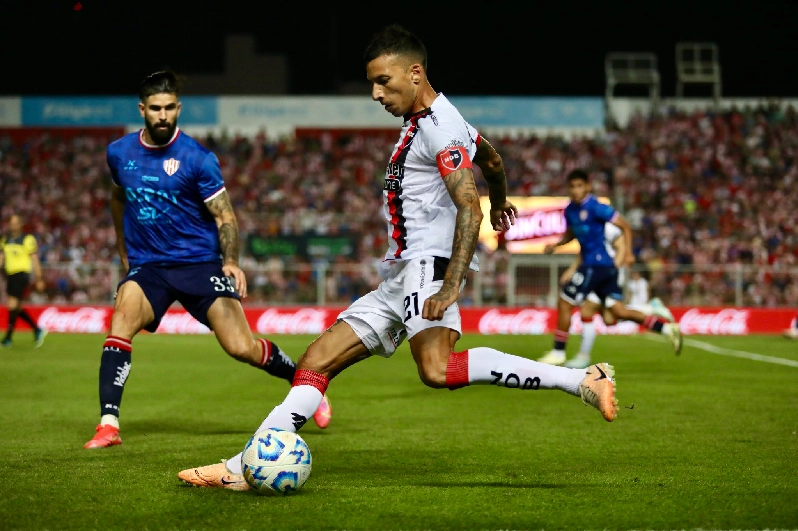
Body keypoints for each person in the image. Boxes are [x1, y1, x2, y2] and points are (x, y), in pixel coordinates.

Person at [178, 24, 619, 491]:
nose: (375, 93)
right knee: (316, 361)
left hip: (429, 267)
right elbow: (490, 160)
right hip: (404, 273)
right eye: (372, 82)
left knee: (437, 369)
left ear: (414, 72)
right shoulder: (443, 121)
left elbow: (469, 203)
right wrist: (503, 199)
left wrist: (450, 284)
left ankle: (580, 380)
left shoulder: (440, 127)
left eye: (382, 81)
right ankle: (243, 465)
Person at [83, 71, 331, 449]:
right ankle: (108, 424)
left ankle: (304, 380)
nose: (163, 115)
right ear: (142, 110)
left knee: (240, 347)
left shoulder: (198, 159)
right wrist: (123, 251)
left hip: (200, 264)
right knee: (121, 321)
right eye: (155, 109)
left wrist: (230, 260)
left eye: (169, 108)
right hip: (150, 266)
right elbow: (119, 200)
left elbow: (225, 216)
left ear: (178, 108)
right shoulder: (119, 153)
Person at [538, 170, 682, 369]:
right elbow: (572, 234)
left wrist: (628, 253)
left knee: (565, 302)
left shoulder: (597, 208)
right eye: (572, 186)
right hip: (600, 267)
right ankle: (665, 328)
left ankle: (559, 352)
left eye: (580, 186)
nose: (576, 190)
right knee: (617, 313)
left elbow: (625, 226)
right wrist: (556, 245)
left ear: (588, 186)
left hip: (597, 265)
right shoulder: (569, 211)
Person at [541, 223, 675, 369]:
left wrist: (614, 268)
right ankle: (651, 311)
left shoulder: (608, 227)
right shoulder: (591, 229)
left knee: (586, 310)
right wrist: (572, 269)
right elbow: (585, 252)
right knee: (610, 318)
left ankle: (581, 356)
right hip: (597, 273)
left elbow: (622, 244)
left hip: (607, 274)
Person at [0, 214, 48, 348]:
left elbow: (35, 259)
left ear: (20, 224)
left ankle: (7, 338)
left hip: (22, 275)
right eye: (11, 222)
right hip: (10, 275)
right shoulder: (5, 240)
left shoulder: (27, 239)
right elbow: (1, 258)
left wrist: (39, 278)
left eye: (16, 222)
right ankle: (37, 329)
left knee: (12, 304)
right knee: (16, 307)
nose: (14, 225)